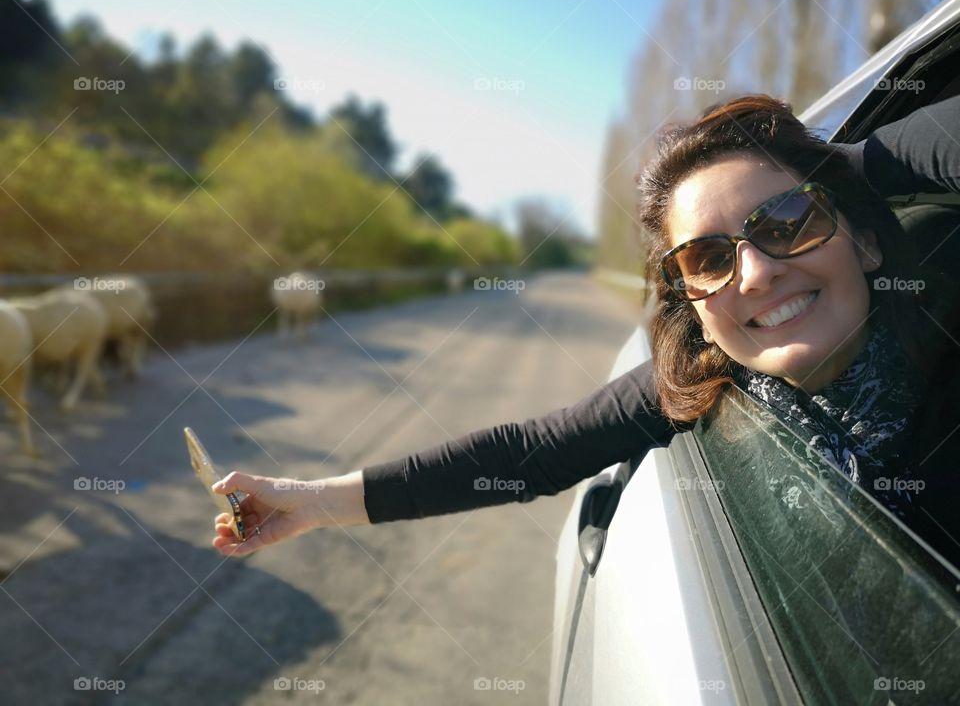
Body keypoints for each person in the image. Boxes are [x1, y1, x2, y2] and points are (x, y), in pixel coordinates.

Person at [212, 93, 960, 565]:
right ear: (691, 300)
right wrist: (309, 501)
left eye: (790, 221)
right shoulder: (704, 379)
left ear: (864, 240)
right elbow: (529, 452)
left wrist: (849, 162)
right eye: (708, 256)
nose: (757, 274)